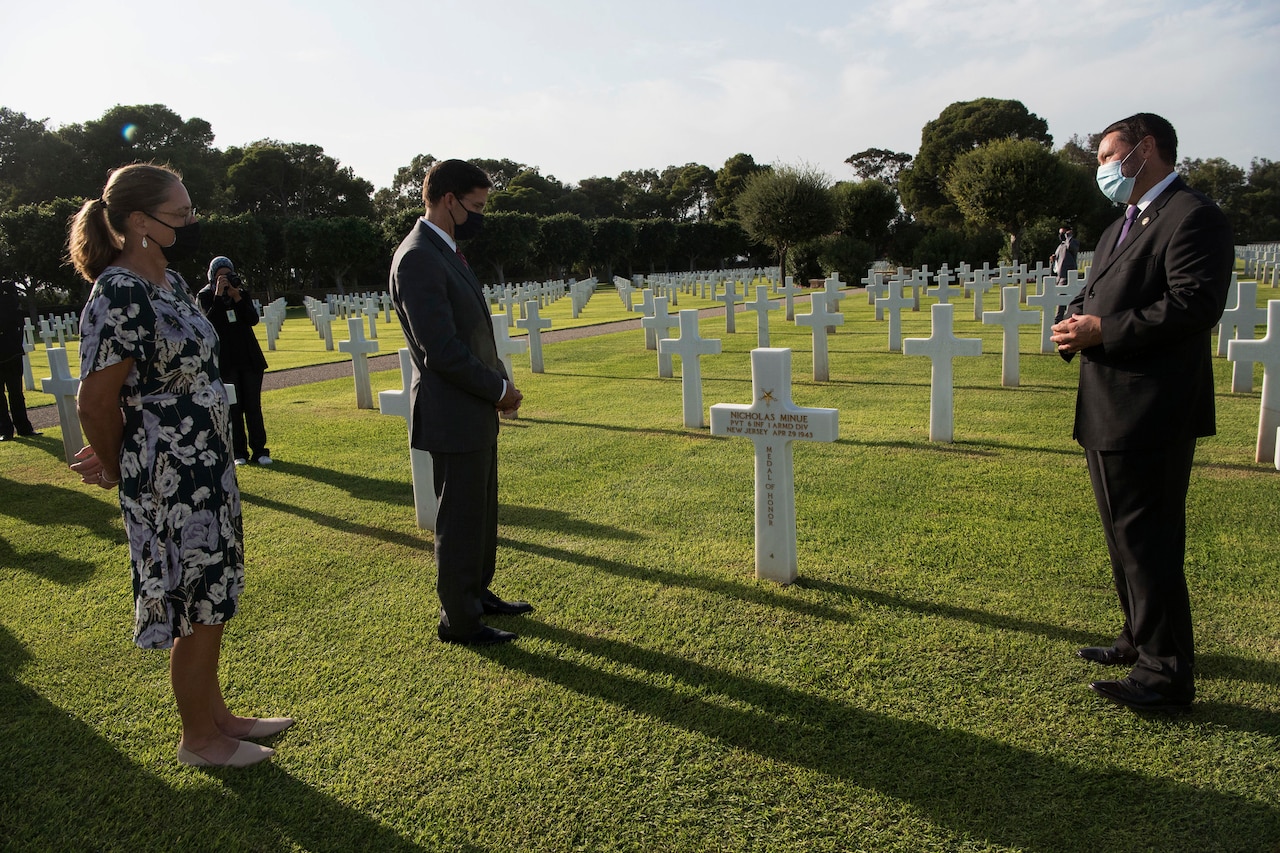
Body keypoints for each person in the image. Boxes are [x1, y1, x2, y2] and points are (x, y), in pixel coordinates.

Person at [67, 163, 291, 766]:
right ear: (140, 221)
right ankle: (199, 738)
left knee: (212, 589)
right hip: (168, 474)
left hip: (206, 463)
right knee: (192, 596)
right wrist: (117, 466)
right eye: (182, 212)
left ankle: (218, 715)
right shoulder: (119, 291)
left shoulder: (170, 279)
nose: (192, 221)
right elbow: (97, 399)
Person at [1050, 113, 1234, 713]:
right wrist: (1074, 322)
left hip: (1153, 409)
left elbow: (1193, 304)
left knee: (1149, 541)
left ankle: (1165, 674)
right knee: (1122, 537)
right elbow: (1096, 289)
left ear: (1144, 150)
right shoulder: (1119, 226)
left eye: (1107, 155)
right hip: (1107, 406)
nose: (1101, 167)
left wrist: (1105, 329)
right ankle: (1137, 636)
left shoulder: (1192, 216)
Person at [389, 159, 529, 646]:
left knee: (480, 511)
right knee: (460, 517)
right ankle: (460, 619)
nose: (479, 216)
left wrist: (500, 380)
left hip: (472, 407)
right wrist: (497, 390)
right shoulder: (418, 257)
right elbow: (441, 349)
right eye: (474, 206)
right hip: (453, 408)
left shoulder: (444, 249)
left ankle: (477, 592)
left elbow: (476, 333)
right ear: (448, 200)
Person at [197, 257, 272, 466]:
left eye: (228, 275)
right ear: (212, 277)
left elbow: (252, 320)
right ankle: (239, 452)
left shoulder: (241, 292)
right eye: (221, 276)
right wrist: (219, 297)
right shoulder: (205, 296)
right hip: (226, 359)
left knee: (253, 406)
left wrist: (237, 297)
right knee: (234, 408)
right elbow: (209, 324)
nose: (225, 279)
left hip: (249, 357)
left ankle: (260, 450)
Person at [0, 281, 38, 441]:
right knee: (8, 394)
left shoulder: (8, 301)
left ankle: (19, 428)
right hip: (11, 350)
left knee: (15, 392)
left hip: (11, 351)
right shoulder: (10, 299)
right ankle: (9, 429)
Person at [1051, 226, 1079, 323]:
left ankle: (1058, 320)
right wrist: (1053, 260)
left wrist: (1069, 237)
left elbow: (1071, 248)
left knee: (1061, 299)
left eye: (1063, 233)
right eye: (1060, 234)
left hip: (1068, 275)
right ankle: (1059, 319)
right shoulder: (1060, 246)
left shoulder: (1073, 243)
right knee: (1060, 299)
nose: (1061, 236)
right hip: (1059, 275)